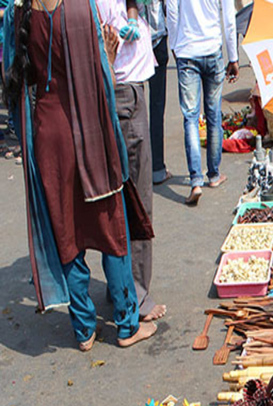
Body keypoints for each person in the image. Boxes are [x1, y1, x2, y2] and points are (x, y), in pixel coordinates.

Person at [3, 0, 156, 350]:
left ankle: (84, 329)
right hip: (88, 130)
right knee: (112, 227)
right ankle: (127, 325)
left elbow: (16, 87)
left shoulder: (19, 12)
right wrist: (111, 54)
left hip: (47, 134)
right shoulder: (80, 7)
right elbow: (101, 75)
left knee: (65, 232)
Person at [97, 0, 166, 323]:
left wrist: (133, 17)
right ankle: (135, 293)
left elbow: (131, 3)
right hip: (122, 88)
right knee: (134, 200)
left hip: (132, 84)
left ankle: (123, 285)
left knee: (127, 196)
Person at [166, 0, 239, 205]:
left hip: (187, 51)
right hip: (212, 49)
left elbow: (172, 12)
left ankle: (196, 181)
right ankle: (214, 175)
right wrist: (233, 57)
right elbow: (228, 19)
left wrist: (174, 44)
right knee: (213, 114)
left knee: (190, 117)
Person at [139, 0, 172, 185]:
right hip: (156, 39)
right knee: (157, 106)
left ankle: (140, 168)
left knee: (137, 108)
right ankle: (157, 168)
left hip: (134, 43)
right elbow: (170, 8)